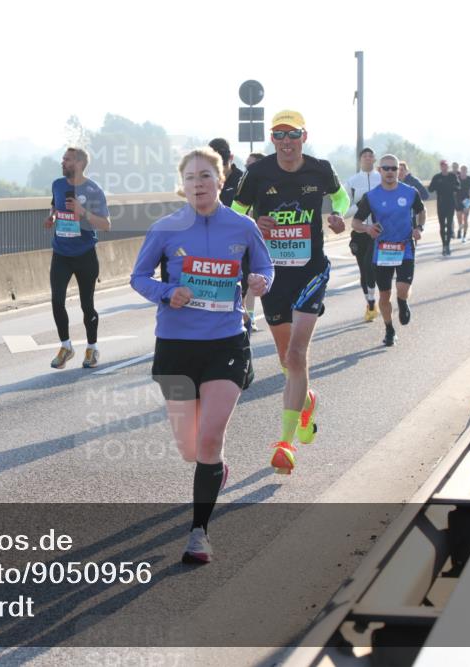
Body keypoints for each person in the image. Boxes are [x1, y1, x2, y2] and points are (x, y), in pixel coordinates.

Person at [131, 147, 272, 563]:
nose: (199, 183)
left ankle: (199, 533)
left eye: (206, 176)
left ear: (221, 179)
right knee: (190, 448)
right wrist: (166, 292)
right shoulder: (164, 229)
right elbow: (138, 277)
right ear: (183, 184)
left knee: (210, 439)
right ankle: (213, 470)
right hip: (175, 345)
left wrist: (261, 280)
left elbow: (265, 267)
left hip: (225, 342)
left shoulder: (243, 227)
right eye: (191, 177)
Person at [231, 110, 349, 475]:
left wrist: (337, 215)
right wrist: (253, 222)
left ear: (304, 136)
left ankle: (285, 443)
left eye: (291, 135)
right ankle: (306, 400)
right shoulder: (258, 173)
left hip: (311, 272)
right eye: (278, 135)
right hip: (272, 276)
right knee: (287, 361)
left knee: (298, 353)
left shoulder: (320, 169)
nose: (285, 142)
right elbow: (235, 214)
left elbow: (341, 198)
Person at [44, 147, 112, 369]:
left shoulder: (93, 190)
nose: (62, 162)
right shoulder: (57, 184)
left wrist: (83, 212)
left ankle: (92, 349)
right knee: (56, 300)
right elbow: (55, 204)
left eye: (67, 159)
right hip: (61, 253)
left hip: (84, 254)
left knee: (87, 305)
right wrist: (52, 216)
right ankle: (66, 346)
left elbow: (106, 225)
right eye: (63, 158)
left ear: (80, 164)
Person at [351, 155, 426, 347]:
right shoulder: (372, 196)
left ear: (399, 170)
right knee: (384, 296)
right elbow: (355, 222)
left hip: (405, 246)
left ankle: (402, 302)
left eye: (394, 168)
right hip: (382, 250)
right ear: (379, 170)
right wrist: (367, 229)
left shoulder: (410, 192)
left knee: (402, 288)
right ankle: (389, 329)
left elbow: (421, 211)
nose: (390, 172)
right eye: (386, 168)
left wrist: (419, 228)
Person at [211, 138, 258, 331]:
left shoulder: (243, 180)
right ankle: (235, 321)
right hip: (215, 243)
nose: (218, 169)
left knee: (243, 285)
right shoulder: (208, 180)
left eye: (221, 164)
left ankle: (244, 320)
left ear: (230, 158)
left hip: (243, 244)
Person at [344, 147, 382, 322]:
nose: (367, 158)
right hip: (360, 231)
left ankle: (376, 299)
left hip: (378, 231)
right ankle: (370, 303)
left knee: (372, 267)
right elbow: (345, 210)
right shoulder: (352, 181)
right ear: (360, 160)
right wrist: (360, 205)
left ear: (374, 159)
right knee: (363, 269)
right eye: (364, 156)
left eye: (370, 156)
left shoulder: (381, 178)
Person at [428, 160, 461, 256]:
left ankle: (448, 245)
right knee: (442, 226)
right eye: (442, 165)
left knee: (449, 225)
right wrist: (436, 185)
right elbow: (430, 189)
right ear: (440, 167)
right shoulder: (437, 177)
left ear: (448, 167)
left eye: (445, 165)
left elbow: (458, 187)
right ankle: (444, 246)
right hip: (441, 204)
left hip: (450, 203)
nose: (444, 167)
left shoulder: (452, 176)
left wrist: (454, 188)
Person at [455, 165, 470, 243]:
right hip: (458, 199)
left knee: (465, 218)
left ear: (467, 171)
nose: (464, 171)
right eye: (462, 170)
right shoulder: (456, 178)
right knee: (459, 216)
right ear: (460, 170)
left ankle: (464, 235)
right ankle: (460, 227)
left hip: (467, 200)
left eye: (465, 170)